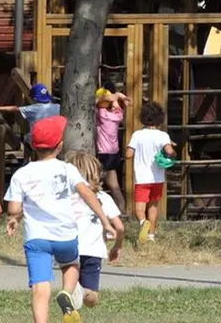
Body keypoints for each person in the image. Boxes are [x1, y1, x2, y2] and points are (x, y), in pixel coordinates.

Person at [4, 116, 116, 323]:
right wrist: (105, 221)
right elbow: (88, 194)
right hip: (65, 235)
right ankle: (66, 292)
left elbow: (14, 208)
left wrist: (14, 219)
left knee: (40, 286)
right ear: (60, 146)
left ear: (33, 146)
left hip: (36, 239)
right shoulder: (67, 169)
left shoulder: (22, 174)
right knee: (71, 266)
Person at [65, 151, 125, 310]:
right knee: (92, 299)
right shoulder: (104, 199)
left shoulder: (66, 198)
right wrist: (118, 246)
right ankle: (82, 294)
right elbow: (119, 226)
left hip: (68, 248)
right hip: (92, 251)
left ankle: (72, 297)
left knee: (70, 286)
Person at [125, 101, 176, 243]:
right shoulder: (163, 135)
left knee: (139, 209)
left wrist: (128, 152)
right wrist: (173, 152)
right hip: (157, 178)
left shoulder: (137, 135)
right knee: (153, 207)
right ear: (160, 118)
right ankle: (151, 236)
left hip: (142, 178)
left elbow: (129, 154)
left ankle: (143, 223)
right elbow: (169, 151)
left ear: (143, 117)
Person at [0, 83, 60, 151]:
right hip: (55, 139)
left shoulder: (34, 108)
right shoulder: (58, 107)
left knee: (27, 138)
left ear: (35, 99)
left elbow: (15, 108)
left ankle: (28, 159)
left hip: (38, 141)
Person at [95, 83, 132, 214]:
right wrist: (119, 97)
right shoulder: (118, 114)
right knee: (112, 186)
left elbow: (97, 102)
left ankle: (120, 212)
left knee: (107, 186)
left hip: (105, 154)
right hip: (114, 153)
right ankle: (121, 211)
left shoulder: (102, 114)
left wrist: (114, 96)